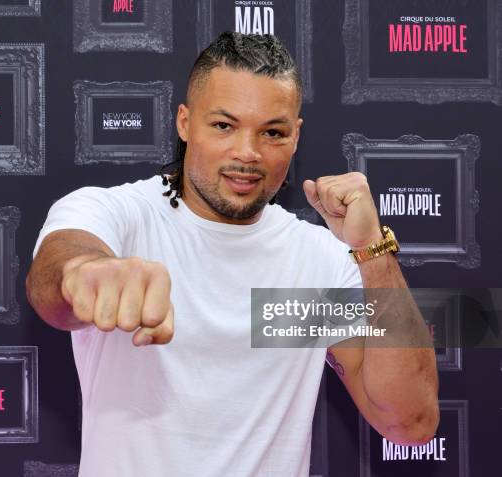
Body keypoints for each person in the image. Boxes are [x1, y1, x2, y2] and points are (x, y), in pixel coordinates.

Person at [26, 32, 439, 477]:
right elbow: (55, 278)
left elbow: (409, 421)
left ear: (296, 136)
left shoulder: (318, 259)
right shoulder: (118, 215)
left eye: (272, 133)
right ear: (185, 123)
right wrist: (90, 275)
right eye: (224, 125)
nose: (247, 153)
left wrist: (371, 250)